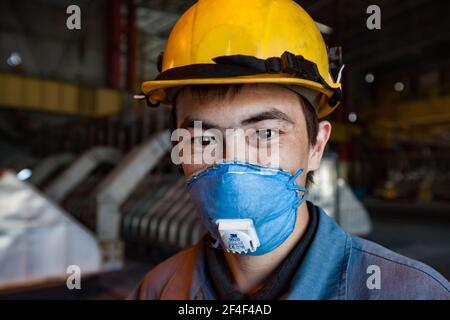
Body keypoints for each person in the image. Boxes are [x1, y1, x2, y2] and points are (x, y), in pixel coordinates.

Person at [130, 0, 450, 299]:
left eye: (266, 133)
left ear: (316, 146)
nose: (232, 163)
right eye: (202, 139)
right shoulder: (157, 289)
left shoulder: (411, 292)